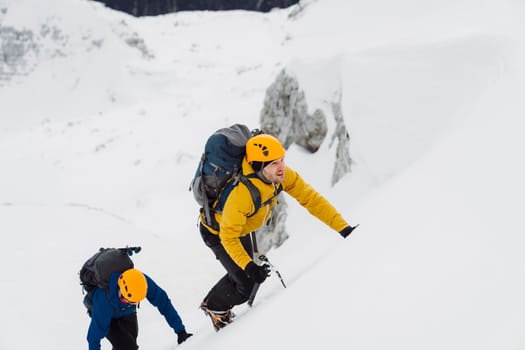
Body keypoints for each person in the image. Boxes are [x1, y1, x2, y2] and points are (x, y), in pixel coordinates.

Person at [199, 133, 357, 330]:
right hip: (216, 232)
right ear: (258, 166)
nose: (281, 167)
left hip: (239, 227)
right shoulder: (241, 195)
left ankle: (224, 292)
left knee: (244, 272)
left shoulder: (279, 176)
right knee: (246, 284)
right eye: (274, 163)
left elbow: (311, 199)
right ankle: (215, 306)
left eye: (282, 160)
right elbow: (228, 237)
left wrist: (343, 228)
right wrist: (249, 267)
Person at [87, 268, 192, 349]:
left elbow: (164, 303)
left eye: (135, 302)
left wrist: (180, 331)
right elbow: (93, 338)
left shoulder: (141, 282)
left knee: (131, 341)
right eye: (129, 301)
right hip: (108, 316)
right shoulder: (103, 300)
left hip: (127, 312)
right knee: (129, 347)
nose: (131, 303)